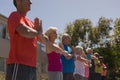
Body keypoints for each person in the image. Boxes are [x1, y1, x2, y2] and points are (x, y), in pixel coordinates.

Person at [6, 0, 42, 80]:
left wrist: (40, 31)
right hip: (19, 65)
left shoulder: (32, 23)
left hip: (32, 67)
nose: (30, 2)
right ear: (18, 1)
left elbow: (42, 39)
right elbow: (25, 31)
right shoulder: (14, 15)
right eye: (28, 0)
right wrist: (38, 32)